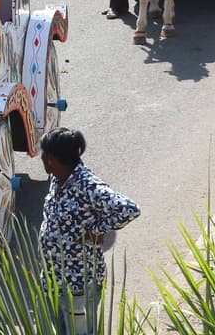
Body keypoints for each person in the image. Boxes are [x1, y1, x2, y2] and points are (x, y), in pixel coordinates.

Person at [38, 127, 140, 335]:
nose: (41, 158)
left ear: (51, 159)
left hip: (78, 285)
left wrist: (95, 230)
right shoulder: (58, 179)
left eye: (43, 154)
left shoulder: (87, 185)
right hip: (55, 279)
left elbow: (129, 208)